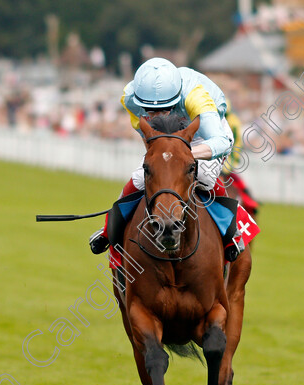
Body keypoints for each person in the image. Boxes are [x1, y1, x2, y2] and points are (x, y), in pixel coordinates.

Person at [88, 57, 249, 261]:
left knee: (205, 177)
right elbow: (145, 131)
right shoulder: (130, 97)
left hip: (203, 132)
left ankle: (230, 231)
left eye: (165, 108)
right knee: (139, 178)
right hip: (166, 135)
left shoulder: (195, 97)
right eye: (150, 110)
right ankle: (106, 230)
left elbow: (221, 141)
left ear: (176, 98)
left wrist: (184, 155)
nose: (157, 115)